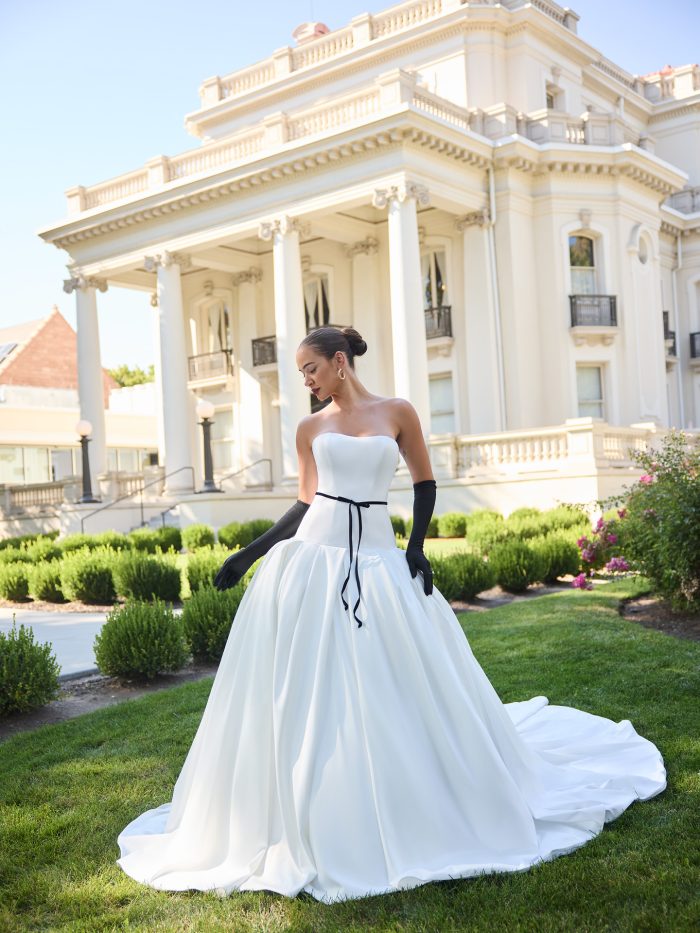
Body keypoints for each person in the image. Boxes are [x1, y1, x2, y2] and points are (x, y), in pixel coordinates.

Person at [116, 326, 666, 904]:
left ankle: (409, 788)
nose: (304, 380)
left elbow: (425, 483)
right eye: (301, 373)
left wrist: (416, 547)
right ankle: (315, 795)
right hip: (316, 561)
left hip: (380, 559)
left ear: (338, 362)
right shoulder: (310, 428)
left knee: (397, 679)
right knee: (308, 684)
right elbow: (306, 503)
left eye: (309, 369)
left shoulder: (397, 412)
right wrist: (249, 556)